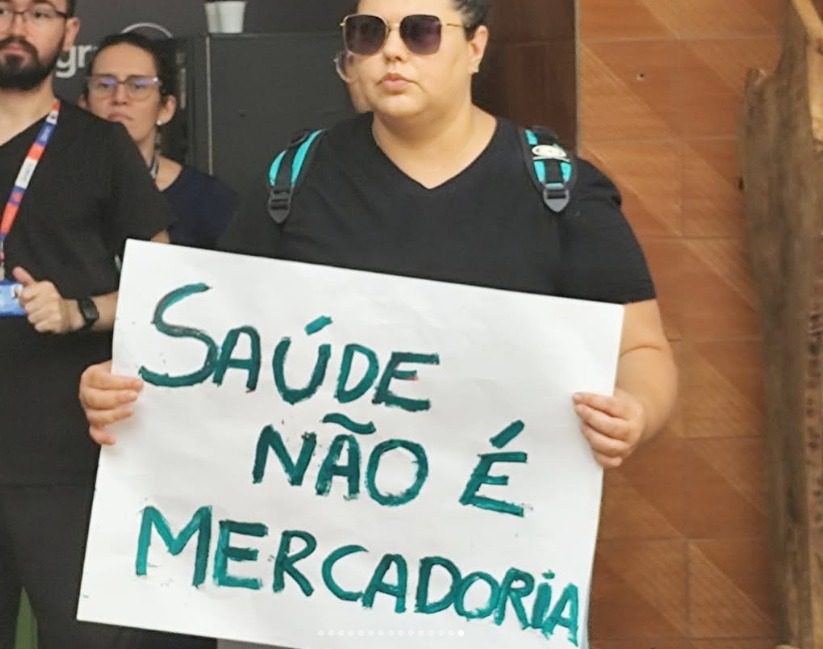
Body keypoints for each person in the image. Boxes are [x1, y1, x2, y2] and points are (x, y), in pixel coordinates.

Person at [79, 1, 677, 643]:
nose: (392, 51)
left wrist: (636, 412)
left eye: (421, 33)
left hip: (487, 595)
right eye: (369, 33)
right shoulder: (293, 182)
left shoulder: (556, 189)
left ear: (476, 48)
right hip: (310, 587)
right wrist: (126, 387)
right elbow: (218, 358)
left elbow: (642, 350)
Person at [0, 1, 221, 648]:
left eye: (39, 12)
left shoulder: (99, 146)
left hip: (63, 453)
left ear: (69, 31)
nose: (17, 26)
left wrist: (78, 311)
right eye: (5, 9)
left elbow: (166, 289)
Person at [80, 32, 236, 250]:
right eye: (104, 85)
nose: (119, 98)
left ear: (166, 108)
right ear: (84, 105)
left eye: (138, 86)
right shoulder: (53, 189)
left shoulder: (208, 200)